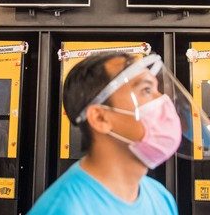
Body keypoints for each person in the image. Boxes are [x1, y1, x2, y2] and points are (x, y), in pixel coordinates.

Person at [28, 52, 182, 214]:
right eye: (146, 90)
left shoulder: (160, 197)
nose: (162, 100)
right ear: (100, 118)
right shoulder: (63, 208)